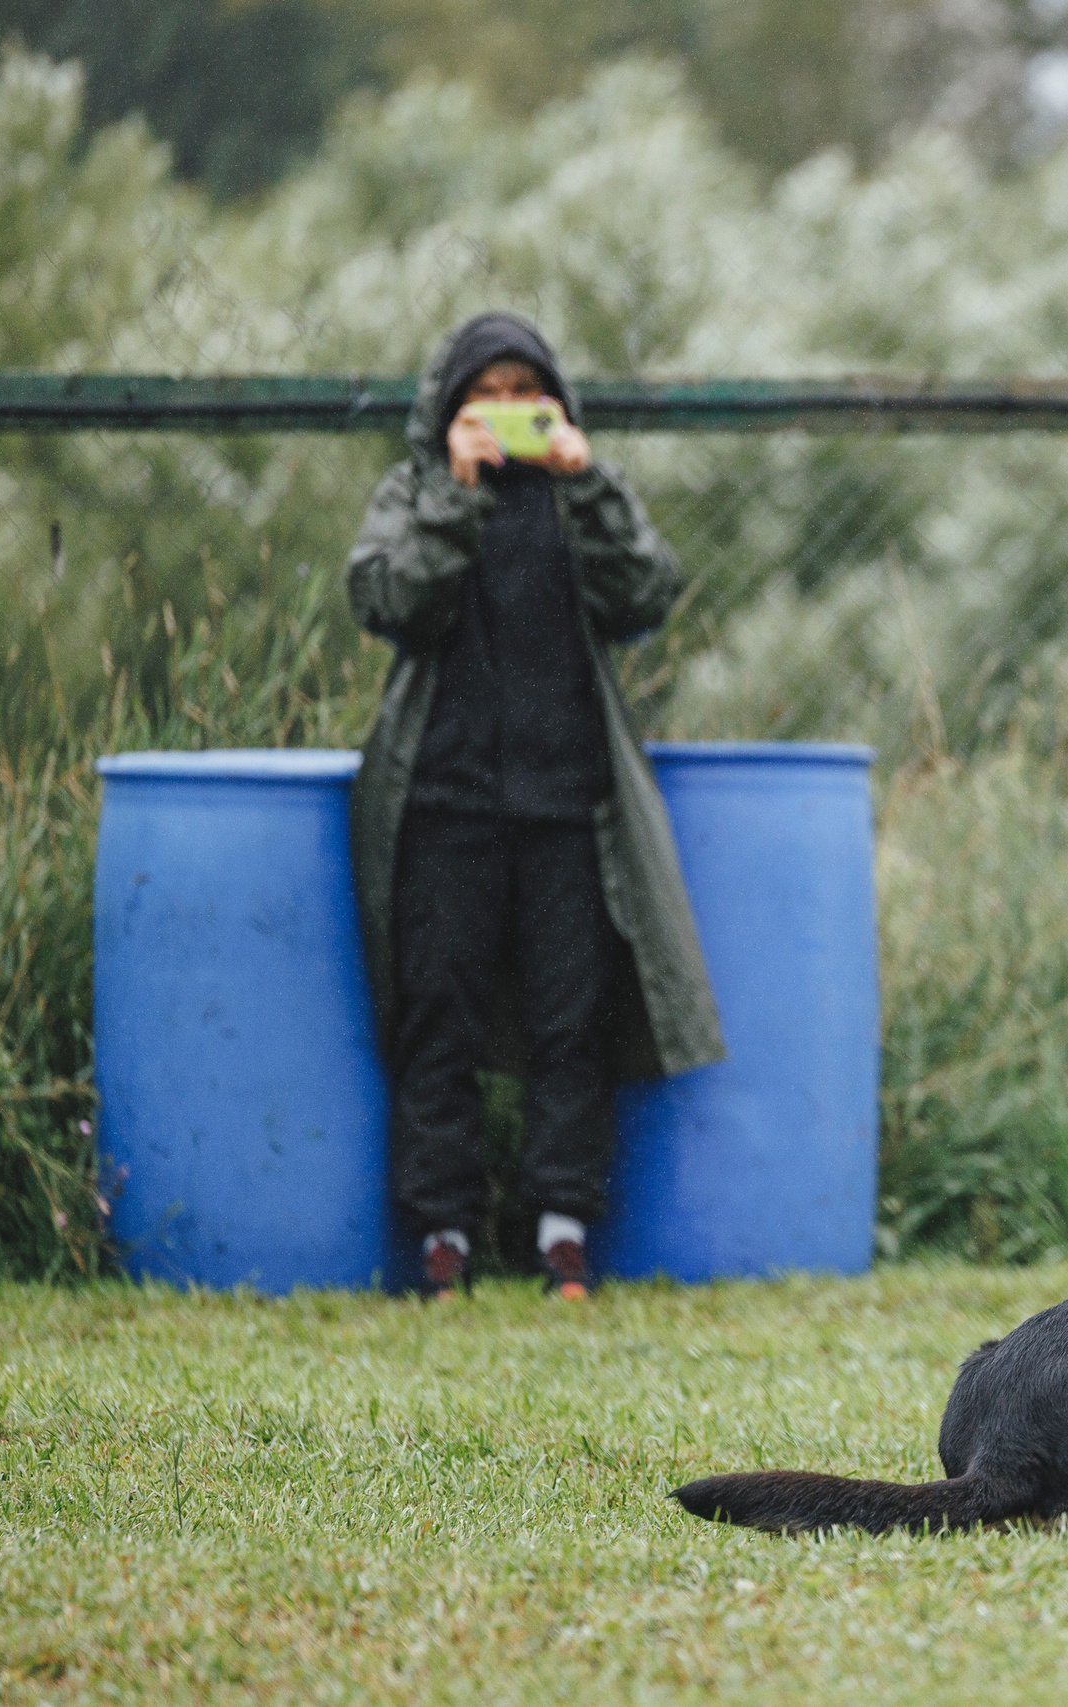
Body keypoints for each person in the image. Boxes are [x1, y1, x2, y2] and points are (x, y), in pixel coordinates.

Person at [347, 312, 724, 1300]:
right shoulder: (417, 490)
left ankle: (562, 1238)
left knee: (572, 1025)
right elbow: (387, 602)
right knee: (439, 1024)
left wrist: (586, 479)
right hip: (441, 808)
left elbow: (647, 591)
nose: (508, 411)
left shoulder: (578, 492)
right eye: (489, 394)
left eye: (527, 393)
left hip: (569, 813)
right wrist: (458, 499)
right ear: (450, 407)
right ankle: (443, 1239)